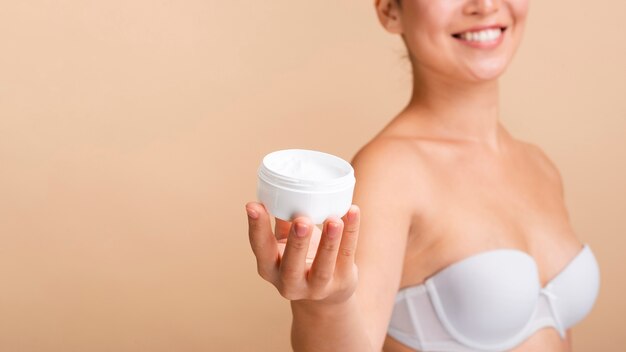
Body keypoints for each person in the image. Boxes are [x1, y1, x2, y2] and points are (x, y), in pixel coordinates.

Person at [245, 0, 600, 351]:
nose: (486, 4)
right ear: (390, 11)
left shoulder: (539, 166)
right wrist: (325, 304)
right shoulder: (390, 171)